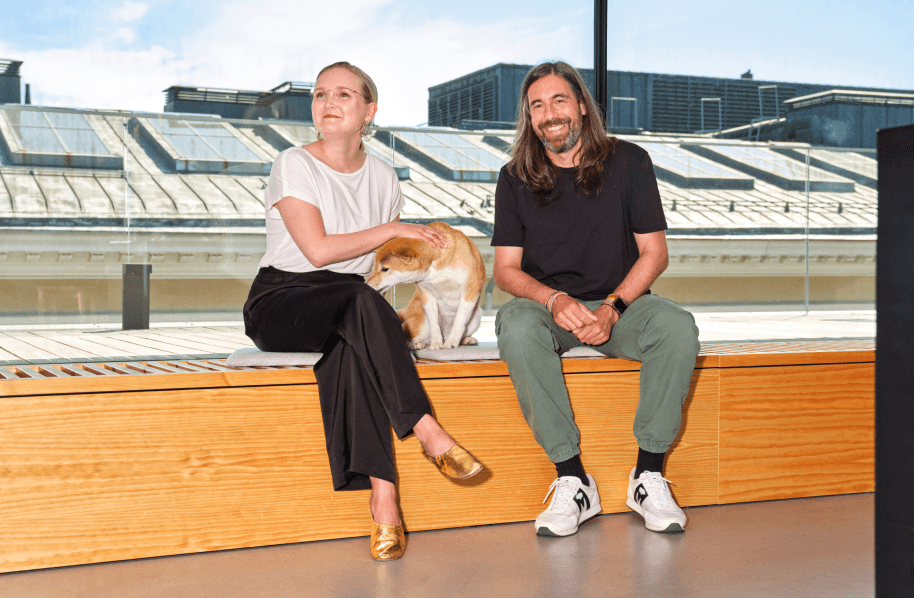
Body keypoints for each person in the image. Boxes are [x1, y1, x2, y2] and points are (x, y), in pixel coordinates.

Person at [243, 61, 484, 561]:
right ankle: (427, 430)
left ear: (369, 110)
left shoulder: (381, 175)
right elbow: (317, 251)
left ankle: (384, 500)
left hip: (350, 304)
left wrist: (412, 241)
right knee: (359, 301)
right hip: (282, 298)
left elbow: (380, 263)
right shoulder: (294, 163)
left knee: (355, 339)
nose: (328, 102)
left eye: (344, 94)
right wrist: (397, 229)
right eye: (320, 94)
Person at [492, 61, 700, 537]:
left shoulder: (629, 161)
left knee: (676, 326)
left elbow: (654, 253)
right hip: (549, 311)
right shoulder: (514, 176)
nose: (549, 114)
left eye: (559, 100)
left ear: (582, 106)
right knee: (516, 324)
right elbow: (505, 270)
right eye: (537, 106)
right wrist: (553, 299)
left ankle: (647, 475)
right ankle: (572, 480)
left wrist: (612, 308)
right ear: (529, 117)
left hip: (620, 306)